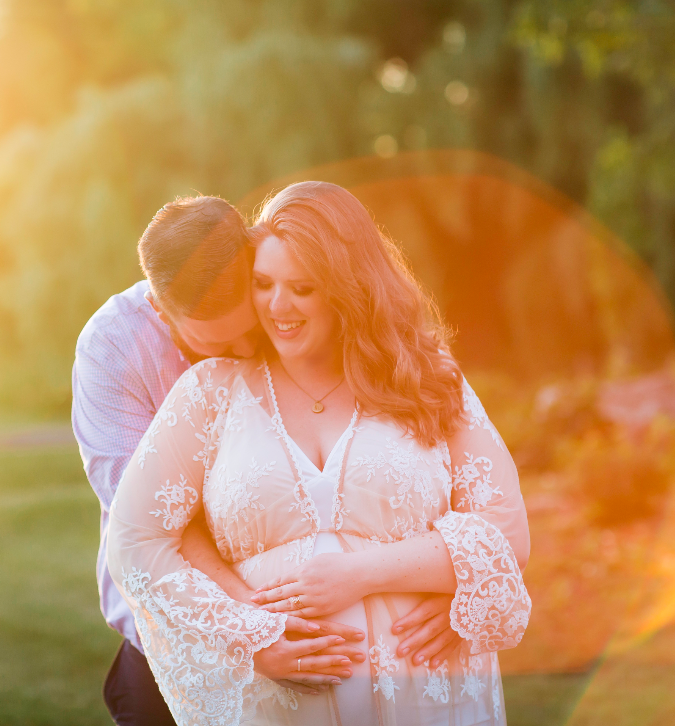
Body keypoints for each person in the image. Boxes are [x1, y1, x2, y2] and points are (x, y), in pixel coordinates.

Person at [106, 182, 531, 725]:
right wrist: (248, 638)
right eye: (262, 284)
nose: (278, 307)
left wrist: (372, 576)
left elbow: (505, 531)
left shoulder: (427, 377)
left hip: (426, 699)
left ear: (346, 288)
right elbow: (135, 542)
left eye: (302, 288)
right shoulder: (210, 395)